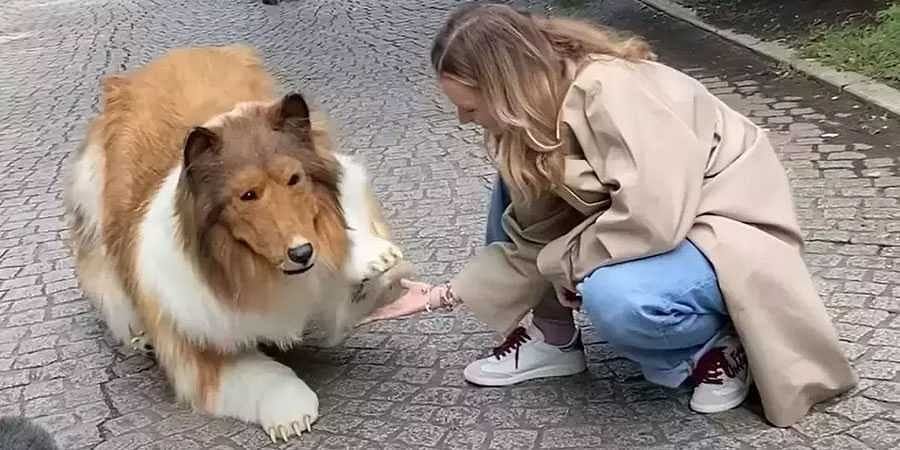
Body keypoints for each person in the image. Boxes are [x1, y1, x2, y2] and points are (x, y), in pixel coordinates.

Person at [362, 2, 856, 426]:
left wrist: (569, 264)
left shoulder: (612, 90)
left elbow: (654, 218)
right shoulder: (533, 118)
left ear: (506, 88)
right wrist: (443, 295)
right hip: (664, 225)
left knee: (618, 297)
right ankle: (552, 337)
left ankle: (715, 347)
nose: (462, 119)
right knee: (515, 185)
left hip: (723, 227)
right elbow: (532, 235)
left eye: (469, 106)